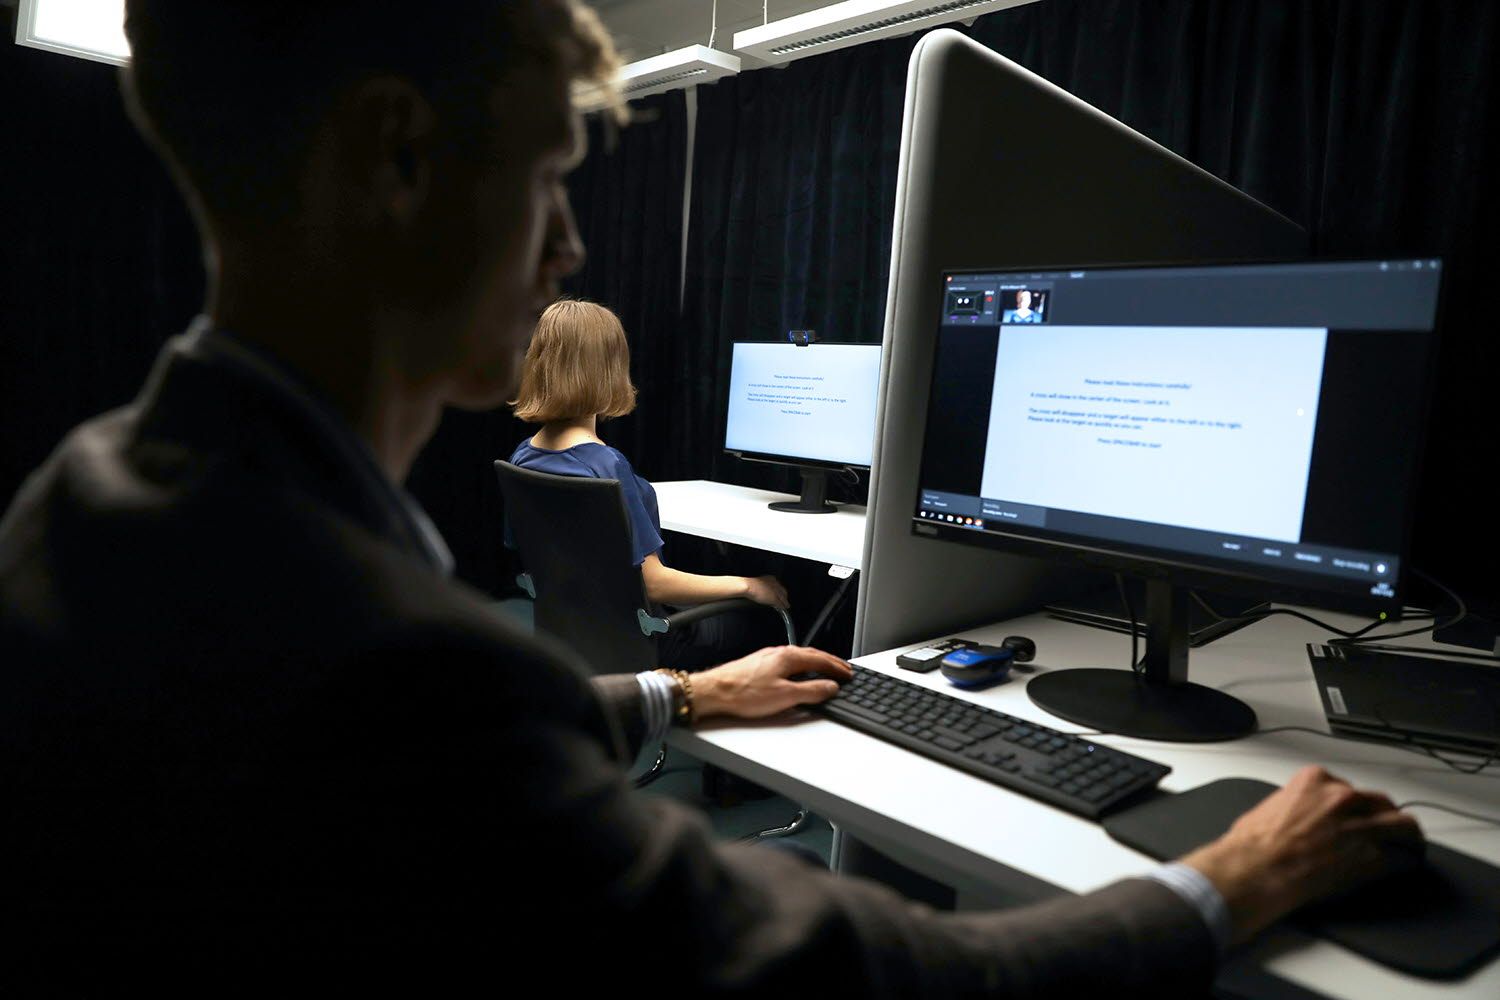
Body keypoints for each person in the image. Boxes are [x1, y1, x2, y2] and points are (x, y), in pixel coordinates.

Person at [0, 0, 1423, 990]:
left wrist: (678, 699)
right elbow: (873, 975)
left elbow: (408, 746)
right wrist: (1226, 882)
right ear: (399, 160)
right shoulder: (390, 670)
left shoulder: (88, 503)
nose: (566, 246)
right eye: (552, 179)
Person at [508, 298, 788, 670]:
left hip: (575, 634)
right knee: (760, 619)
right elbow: (653, 585)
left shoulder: (522, 458)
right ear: (609, 368)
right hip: (647, 642)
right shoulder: (607, 465)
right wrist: (750, 585)